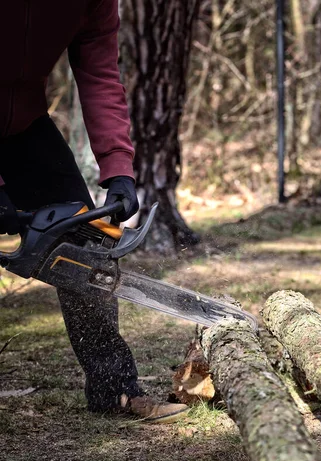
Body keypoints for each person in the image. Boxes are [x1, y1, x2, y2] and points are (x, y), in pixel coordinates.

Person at [0, 0, 189, 423]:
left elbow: (100, 76)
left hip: (24, 124)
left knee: (86, 248)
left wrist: (119, 170)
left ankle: (114, 389)